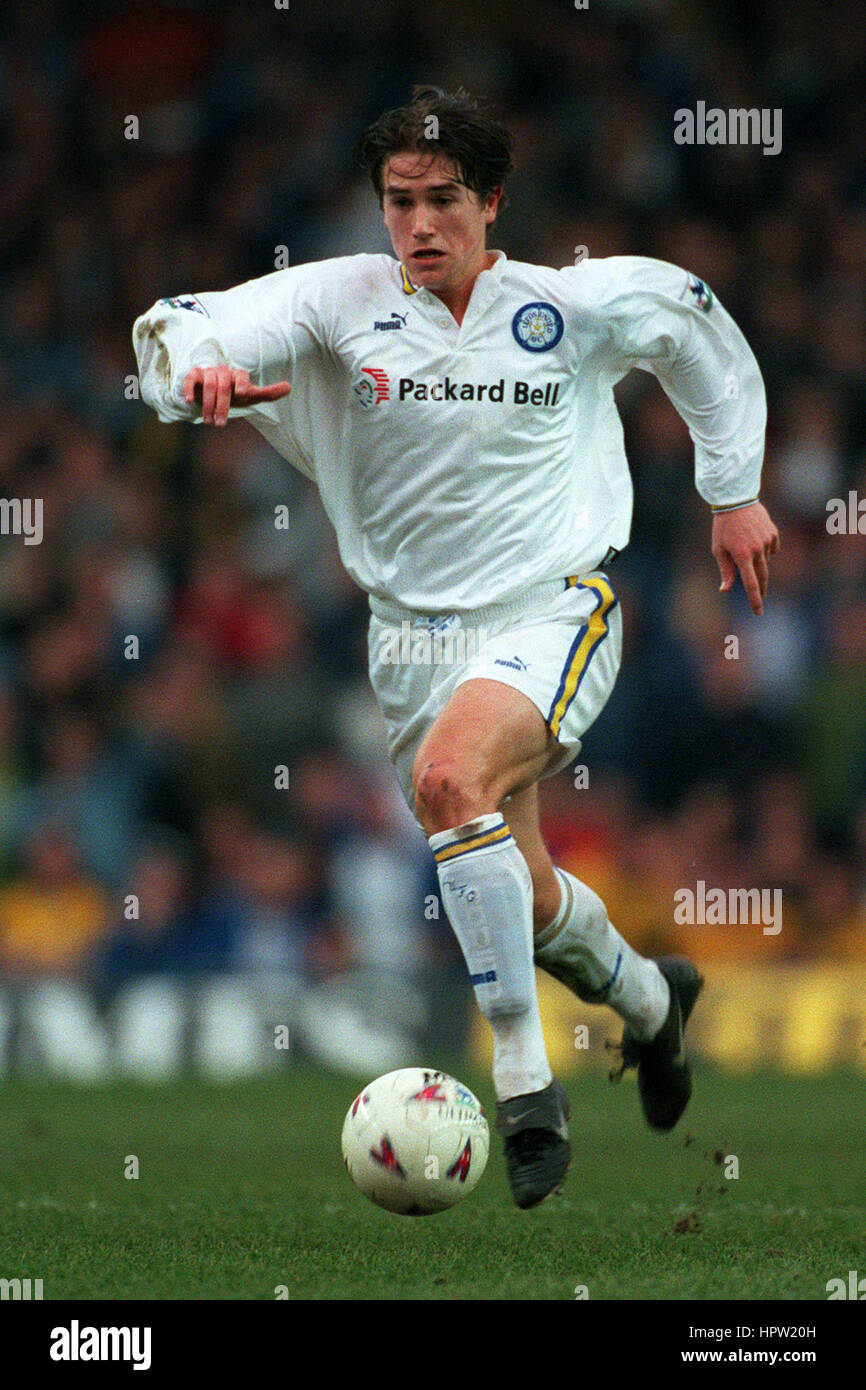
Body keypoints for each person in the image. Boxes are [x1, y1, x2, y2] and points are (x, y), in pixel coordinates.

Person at [133, 86, 780, 1209]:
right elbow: (182, 321)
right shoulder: (339, 299)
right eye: (397, 201)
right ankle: (648, 1005)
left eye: (441, 200)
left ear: (491, 201)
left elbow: (689, 318)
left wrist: (732, 491)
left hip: (552, 609)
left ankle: (524, 1084)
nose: (417, 225)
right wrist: (197, 378)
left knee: (449, 779)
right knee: (515, 891)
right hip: (410, 645)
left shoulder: (564, 307)